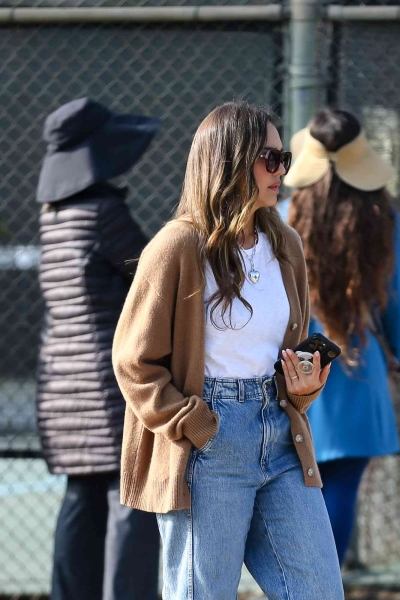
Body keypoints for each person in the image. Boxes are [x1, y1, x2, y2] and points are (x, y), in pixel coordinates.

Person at [112, 101, 344, 600]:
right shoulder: (177, 246)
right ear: (230, 159)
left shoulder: (286, 244)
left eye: (284, 158)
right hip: (208, 442)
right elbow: (134, 361)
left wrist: (300, 389)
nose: (281, 170)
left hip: (282, 438)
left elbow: (280, 348)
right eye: (270, 158)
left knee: (319, 591)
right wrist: (195, 425)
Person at [35, 97, 161, 600]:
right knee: (130, 497)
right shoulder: (104, 213)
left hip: (60, 389)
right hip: (107, 389)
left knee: (80, 499)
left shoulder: (54, 217)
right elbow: (154, 276)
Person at [281, 108, 400, 566]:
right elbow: (395, 299)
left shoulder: (281, 215)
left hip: (291, 370)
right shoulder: (382, 218)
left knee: (291, 491)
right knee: (341, 488)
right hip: (357, 364)